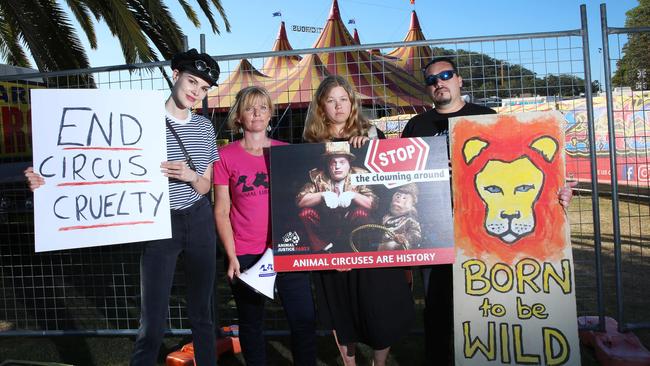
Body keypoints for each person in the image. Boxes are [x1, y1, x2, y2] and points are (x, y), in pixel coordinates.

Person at [25, 48, 221, 366]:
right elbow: (90, 161)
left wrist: (189, 175)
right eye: (191, 81)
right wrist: (46, 180)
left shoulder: (204, 128)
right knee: (152, 319)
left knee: (203, 313)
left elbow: (206, 185)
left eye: (203, 88)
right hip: (160, 224)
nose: (195, 91)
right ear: (175, 75)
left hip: (199, 222)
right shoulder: (138, 121)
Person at [401, 56, 575, 365]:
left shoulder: (486, 117)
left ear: (459, 80)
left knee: (491, 300)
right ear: (427, 87)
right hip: (437, 228)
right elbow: (405, 181)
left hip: (484, 231)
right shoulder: (416, 126)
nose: (439, 82)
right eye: (431, 79)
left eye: (445, 75)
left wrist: (555, 193)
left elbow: (524, 171)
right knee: (438, 306)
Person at [303, 75, 415, 366]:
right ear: (321, 105)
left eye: (343, 99)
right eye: (331, 100)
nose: (338, 106)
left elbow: (389, 184)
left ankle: (380, 363)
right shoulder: (310, 145)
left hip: (368, 240)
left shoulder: (372, 134)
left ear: (352, 103)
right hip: (331, 244)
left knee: (379, 305)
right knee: (340, 307)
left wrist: (368, 148)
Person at [213, 86, 316, 366]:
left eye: (262, 107)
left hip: (288, 249)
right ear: (239, 116)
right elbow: (222, 209)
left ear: (271, 113)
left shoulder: (288, 153)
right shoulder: (225, 156)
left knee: (303, 320)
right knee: (251, 322)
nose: (256, 113)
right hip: (245, 251)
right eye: (249, 108)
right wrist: (231, 255)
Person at [296, 142, 377, 253]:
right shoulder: (317, 177)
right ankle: (324, 249)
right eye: (333, 163)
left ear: (349, 164)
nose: (337, 166)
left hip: (350, 225)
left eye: (342, 162)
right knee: (306, 213)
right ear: (328, 165)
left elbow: (373, 204)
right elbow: (300, 201)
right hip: (326, 225)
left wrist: (353, 195)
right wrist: (322, 195)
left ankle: (357, 250)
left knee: (361, 213)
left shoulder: (359, 175)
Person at [379, 183, 422, 251]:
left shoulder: (410, 220)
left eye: (404, 198)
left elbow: (415, 235)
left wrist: (403, 239)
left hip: (399, 250)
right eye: (398, 196)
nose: (398, 200)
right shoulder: (385, 218)